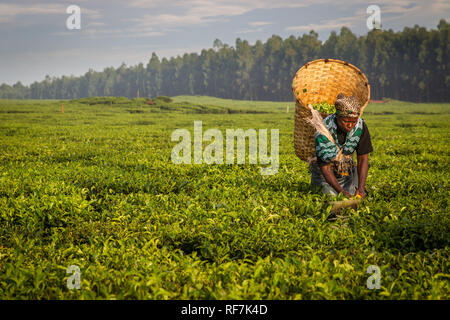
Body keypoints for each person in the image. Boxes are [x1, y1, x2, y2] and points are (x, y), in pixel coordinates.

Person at [310, 93, 373, 198]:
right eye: (346, 121)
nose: (350, 125)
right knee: (329, 198)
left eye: (354, 121)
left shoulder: (360, 127)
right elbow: (325, 168)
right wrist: (341, 192)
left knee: (355, 196)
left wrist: (361, 187)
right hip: (325, 174)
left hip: (346, 170)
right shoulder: (323, 130)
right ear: (337, 116)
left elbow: (363, 159)